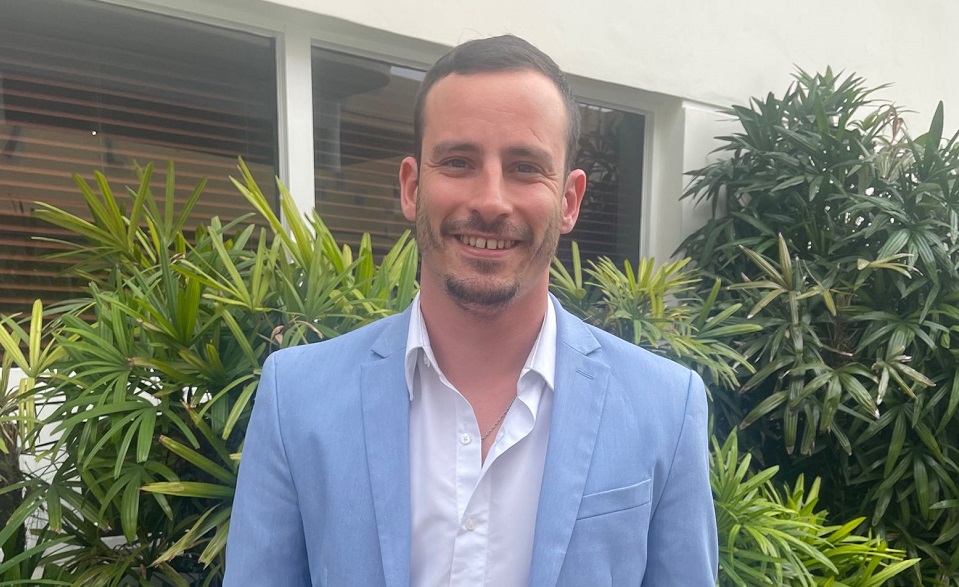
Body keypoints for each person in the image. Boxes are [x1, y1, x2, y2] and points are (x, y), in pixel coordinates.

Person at [224, 34, 717, 586]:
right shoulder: (297, 398)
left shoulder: (665, 408)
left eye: (525, 167)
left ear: (569, 200)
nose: (490, 201)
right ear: (412, 187)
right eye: (458, 162)